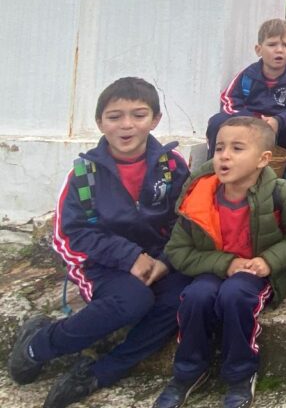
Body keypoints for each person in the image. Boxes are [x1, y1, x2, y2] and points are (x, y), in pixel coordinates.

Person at [7, 78, 191, 408]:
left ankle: (101, 372)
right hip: (104, 264)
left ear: (156, 120)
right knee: (133, 301)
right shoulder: (84, 174)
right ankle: (39, 344)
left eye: (139, 115)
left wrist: (164, 261)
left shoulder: (172, 166)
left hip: (160, 260)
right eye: (114, 116)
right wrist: (129, 257)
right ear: (99, 122)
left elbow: (187, 220)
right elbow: (70, 233)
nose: (126, 125)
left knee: (184, 297)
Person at [152, 117, 286, 408]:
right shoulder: (199, 194)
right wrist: (225, 263)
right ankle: (188, 372)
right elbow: (178, 250)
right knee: (196, 296)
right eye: (219, 148)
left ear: (263, 159)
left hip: (257, 272)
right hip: (213, 267)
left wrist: (269, 260)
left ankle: (240, 374)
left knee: (235, 295)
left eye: (237, 148)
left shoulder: (279, 192)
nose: (224, 156)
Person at [206, 18, 286, 186]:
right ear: (258, 50)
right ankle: (212, 169)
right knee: (217, 121)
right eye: (272, 44)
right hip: (247, 128)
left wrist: (279, 121)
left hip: (279, 131)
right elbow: (229, 100)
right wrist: (252, 120)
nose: (279, 50)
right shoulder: (247, 75)